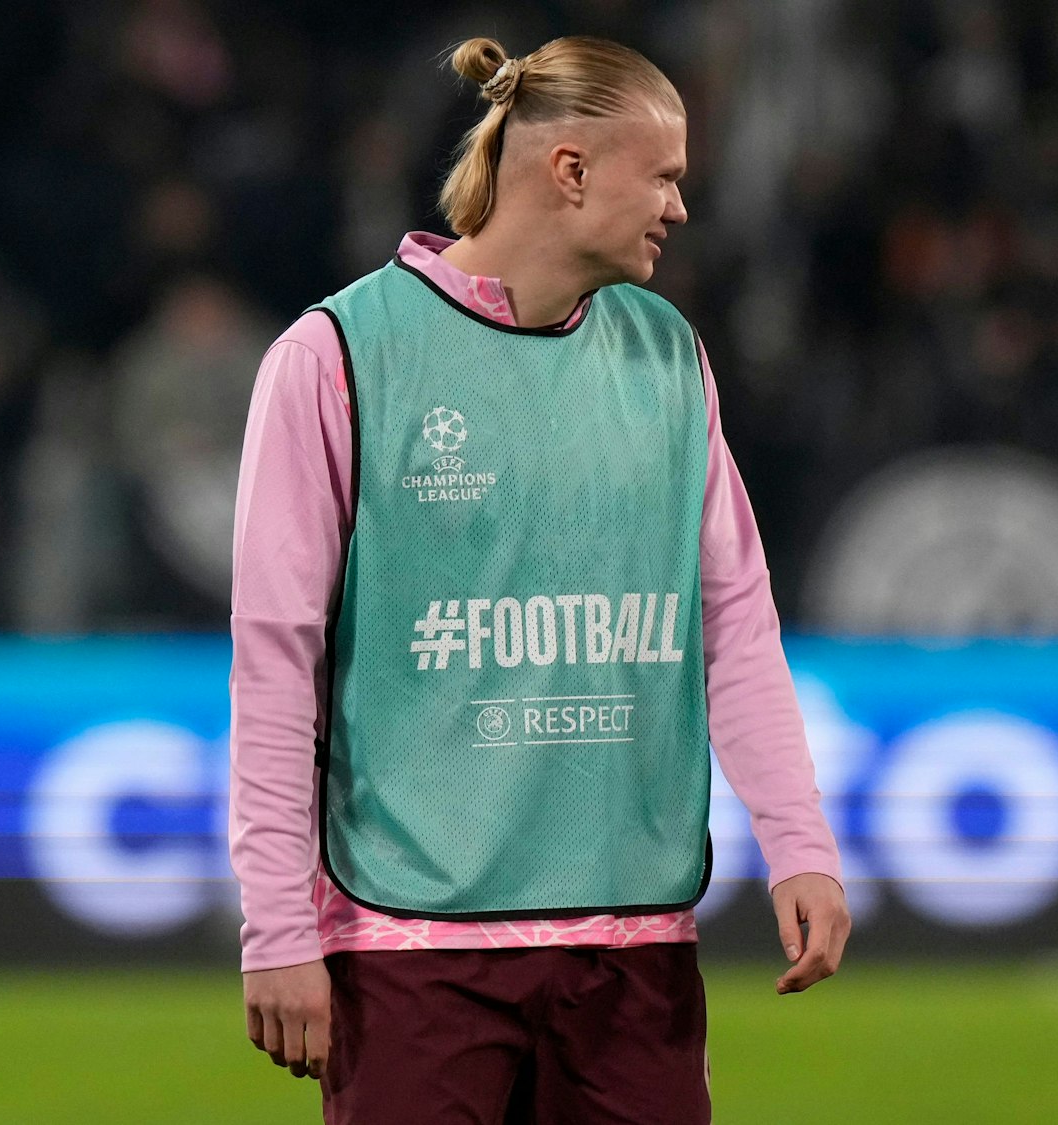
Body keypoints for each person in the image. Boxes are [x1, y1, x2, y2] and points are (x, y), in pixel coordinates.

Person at [229, 36, 849, 1124]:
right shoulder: (337, 355)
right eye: (660, 177)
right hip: (412, 948)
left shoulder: (667, 352)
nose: (677, 207)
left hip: (631, 948)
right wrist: (278, 927)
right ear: (569, 171)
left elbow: (734, 626)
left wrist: (799, 841)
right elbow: (278, 663)